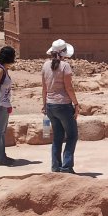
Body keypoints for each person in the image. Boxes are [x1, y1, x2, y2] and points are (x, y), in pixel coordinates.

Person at [41, 38, 80, 173]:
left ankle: (55, 166)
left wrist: (44, 104)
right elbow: (69, 88)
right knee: (72, 135)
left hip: (50, 106)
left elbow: (44, 88)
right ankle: (67, 167)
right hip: (63, 105)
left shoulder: (45, 65)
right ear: (64, 53)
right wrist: (76, 104)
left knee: (57, 136)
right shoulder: (65, 66)